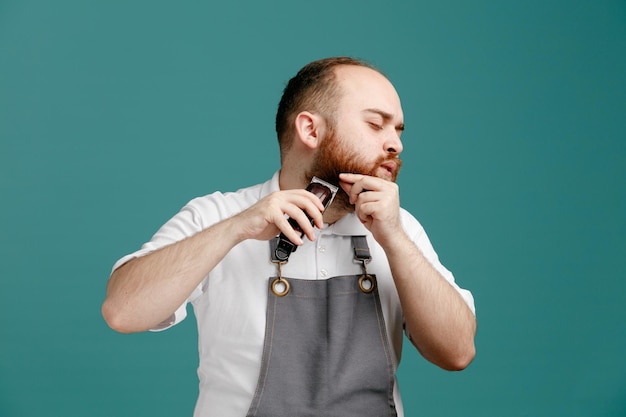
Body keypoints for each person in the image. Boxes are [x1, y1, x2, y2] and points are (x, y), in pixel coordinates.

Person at [102, 56, 476, 417]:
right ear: (310, 130)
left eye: (398, 130)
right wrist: (238, 229)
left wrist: (394, 239)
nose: (396, 144)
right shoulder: (217, 215)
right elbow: (122, 312)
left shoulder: (400, 230)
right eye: (376, 125)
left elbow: (457, 353)